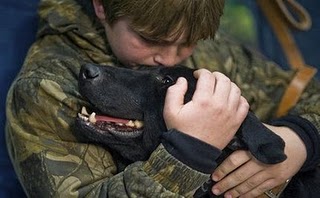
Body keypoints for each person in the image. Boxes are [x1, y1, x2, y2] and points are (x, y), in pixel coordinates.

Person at [5, 0, 320, 197]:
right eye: (150, 39)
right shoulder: (47, 89)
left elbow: (307, 91)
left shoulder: (196, 41)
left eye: (188, 43)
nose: (170, 57)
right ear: (101, 6)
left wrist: (301, 140)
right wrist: (187, 153)